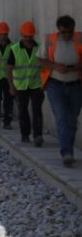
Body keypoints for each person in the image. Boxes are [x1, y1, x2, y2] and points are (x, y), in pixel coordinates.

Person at [38, 15, 82, 167]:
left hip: (76, 85)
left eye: (69, 32)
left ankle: (68, 149)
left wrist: (78, 67)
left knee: (72, 120)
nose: (67, 35)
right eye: (64, 32)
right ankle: (66, 153)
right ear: (59, 30)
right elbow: (40, 60)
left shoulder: (79, 39)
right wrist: (56, 67)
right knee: (62, 118)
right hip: (55, 85)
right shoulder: (49, 39)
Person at [6, 21, 45, 146]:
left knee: (37, 110)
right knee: (23, 110)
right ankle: (25, 134)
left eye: (30, 36)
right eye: (26, 36)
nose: (28, 39)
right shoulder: (14, 49)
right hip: (20, 86)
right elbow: (9, 68)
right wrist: (11, 86)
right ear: (21, 35)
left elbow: (45, 66)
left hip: (36, 85)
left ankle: (38, 135)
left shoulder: (39, 48)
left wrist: (45, 83)